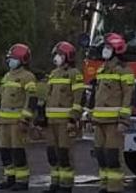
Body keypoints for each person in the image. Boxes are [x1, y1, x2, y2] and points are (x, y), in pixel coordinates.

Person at [89, 33, 136, 193]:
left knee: (112, 156)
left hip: (114, 123)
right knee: (101, 156)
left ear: (116, 50)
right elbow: (97, 96)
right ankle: (104, 186)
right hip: (99, 122)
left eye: (108, 48)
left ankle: (115, 188)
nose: (105, 50)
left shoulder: (124, 71)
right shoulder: (102, 69)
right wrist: (90, 115)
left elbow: (128, 97)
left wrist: (123, 121)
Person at [39, 42, 83, 193]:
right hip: (51, 122)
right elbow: (49, 97)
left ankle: (66, 185)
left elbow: (78, 99)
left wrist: (73, 118)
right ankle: (55, 183)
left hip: (65, 122)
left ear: (68, 57)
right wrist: (42, 116)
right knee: (52, 153)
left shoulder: (74, 74)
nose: (57, 57)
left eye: (60, 54)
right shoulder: (53, 74)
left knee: (64, 154)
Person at [0, 43, 39, 190]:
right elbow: (1, 98)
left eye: (13, 58)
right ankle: (9, 177)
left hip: (17, 122)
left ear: (22, 59)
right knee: (5, 150)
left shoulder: (27, 77)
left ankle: (22, 181)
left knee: (17, 151)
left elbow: (31, 99)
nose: (10, 61)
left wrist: (25, 119)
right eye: (9, 58)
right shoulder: (7, 76)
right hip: (4, 121)